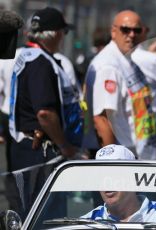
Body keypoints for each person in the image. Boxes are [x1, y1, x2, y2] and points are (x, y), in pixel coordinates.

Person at [85, 10, 156, 160]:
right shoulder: (109, 66)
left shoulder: (128, 59)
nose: (132, 34)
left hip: (141, 151)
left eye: (137, 30)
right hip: (123, 157)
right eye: (125, 29)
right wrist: (110, 163)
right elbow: (101, 119)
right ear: (113, 32)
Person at [8, 7, 82, 217]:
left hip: (28, 147)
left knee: (31, 211)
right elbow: (44, 114)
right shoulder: (40, 63)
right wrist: (64, 145)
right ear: (56, 33)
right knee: (44, 215)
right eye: (63, 32)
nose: (63, 37)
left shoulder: (29, 56)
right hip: (38, 150)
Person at [81, 144, 156, 222]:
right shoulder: (86, 222)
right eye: (101, 175)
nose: (107, 181)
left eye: (114, 173)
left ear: (133, 177)